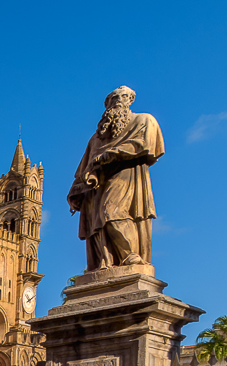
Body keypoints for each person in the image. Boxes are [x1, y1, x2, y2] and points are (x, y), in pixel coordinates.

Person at [66, 86, 164, 270]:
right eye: (114, 98)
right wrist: (76, 191)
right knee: (97, 222)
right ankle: (108, 261)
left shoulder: (143, 120)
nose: (119, 100)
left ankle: (130, 257)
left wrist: (111, 154)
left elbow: (145, 145)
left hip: (127, 176)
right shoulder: (96, 139)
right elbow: (83, 169)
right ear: (107, 105)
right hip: (98, 186)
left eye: (124, 97)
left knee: (111, 212)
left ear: (130, 101)